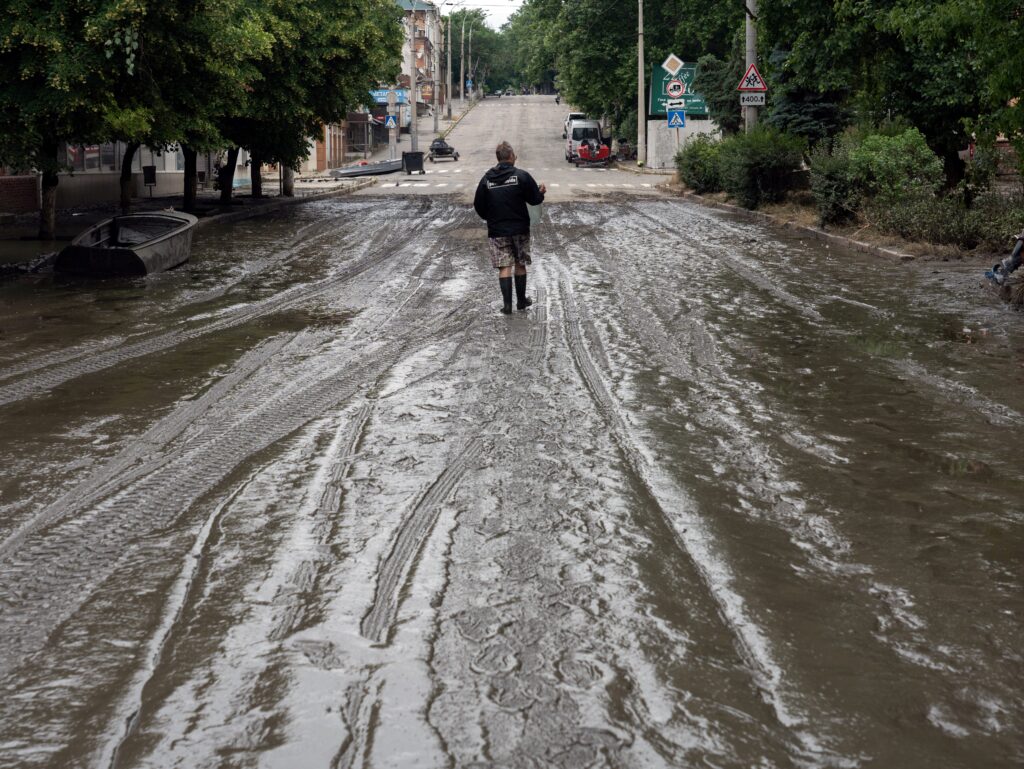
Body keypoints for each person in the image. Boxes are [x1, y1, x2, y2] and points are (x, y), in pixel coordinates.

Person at [473, 141, 547, 314]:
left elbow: (478, 204)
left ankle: (507, 306)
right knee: (520, 263)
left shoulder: (486, 179)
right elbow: (534, 200)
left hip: (497, 231)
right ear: (511, 157)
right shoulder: (521, 176)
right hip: (519, 229)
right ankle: (521, 301)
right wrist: (541, 192)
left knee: (504, 266)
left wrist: (489, 217)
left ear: (498, 158)